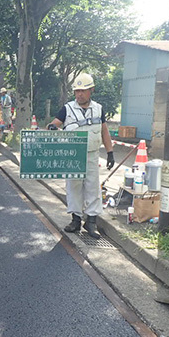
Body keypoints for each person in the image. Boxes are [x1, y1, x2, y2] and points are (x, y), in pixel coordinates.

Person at [47, 73, 115, 239]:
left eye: (83, 91)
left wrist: (110, 152)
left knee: (93, 187)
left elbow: (104, 131)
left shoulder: (98, 109)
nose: (79, 94)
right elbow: (53, 124)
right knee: (74, 187)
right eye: (77, 91)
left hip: (92, 155)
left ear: (91, 90)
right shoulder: (67, 109)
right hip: (72, 156)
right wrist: (52, 128)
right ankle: (76, 220)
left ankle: (91, 222)